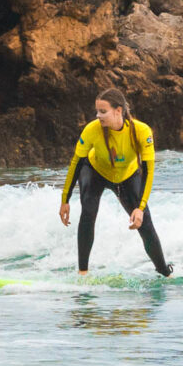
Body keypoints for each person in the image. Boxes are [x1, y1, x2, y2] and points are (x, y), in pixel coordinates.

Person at [58, 87, 173, 277]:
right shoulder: (92, 129)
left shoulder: (142, 131)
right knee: (88, 211)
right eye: (97, 111)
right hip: (94, 171)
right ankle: (83, 274)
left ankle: (165, 273)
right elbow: (76, 164)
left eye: (103, 112)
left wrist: (140, 207)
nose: (98, 116)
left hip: (127, 176)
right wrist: (65, 199)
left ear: (118, 111)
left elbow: (149, 171)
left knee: (144, 223)